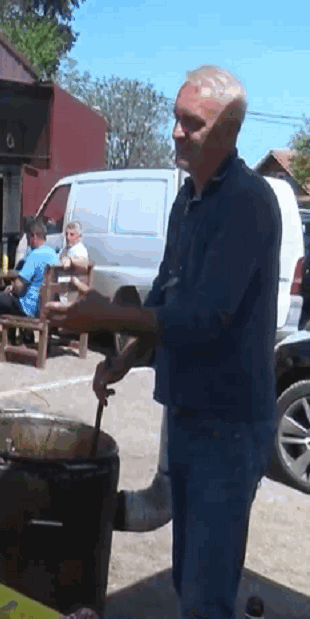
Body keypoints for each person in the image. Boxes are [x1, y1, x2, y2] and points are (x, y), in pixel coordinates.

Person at [47, 65, 278, 619]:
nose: (176, 132)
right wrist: (124, 358)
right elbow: (167, 299)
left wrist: (105, 315)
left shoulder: (247, 203)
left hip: (229, 424)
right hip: (187, 409)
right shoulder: (187, 202)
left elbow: (203, 320)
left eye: (191, 124)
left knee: (205, 592)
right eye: (176, 118)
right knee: (186, 577)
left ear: (228, 132)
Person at [0, 219, 58, 363]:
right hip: (42, 307)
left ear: (34, 235)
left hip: (27, 308)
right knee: (3, 297)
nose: (28, 240)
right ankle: (13, 339)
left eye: (29, 237)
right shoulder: (53, 254)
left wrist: (12, 288)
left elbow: (19, 285)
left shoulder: (35, 255)